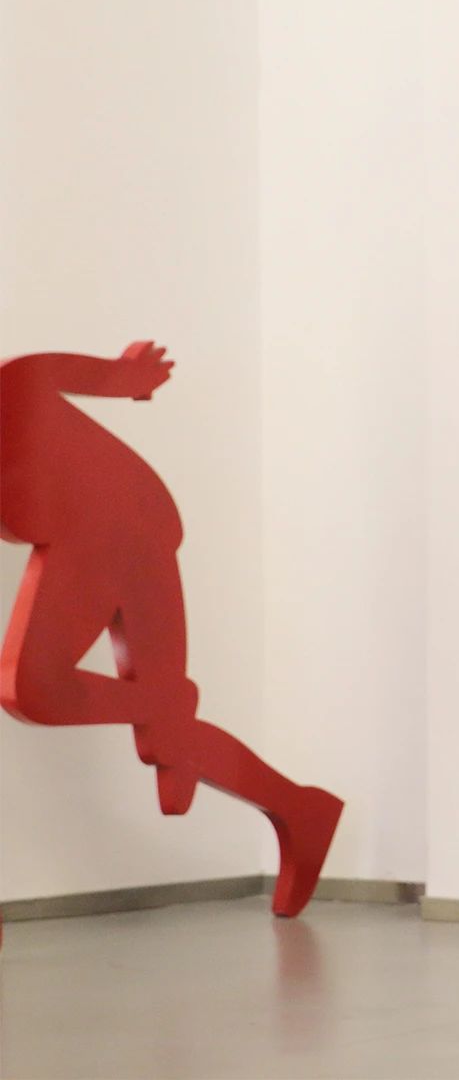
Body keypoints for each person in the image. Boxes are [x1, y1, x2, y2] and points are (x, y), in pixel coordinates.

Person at [0, 343, 343, 951]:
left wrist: (133, 375)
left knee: (34, 687)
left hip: (121, 532)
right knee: (168, 734)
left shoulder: (18, 382)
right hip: (111, 535)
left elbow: (93, 376)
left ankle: (169, 707)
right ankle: (303, 812)